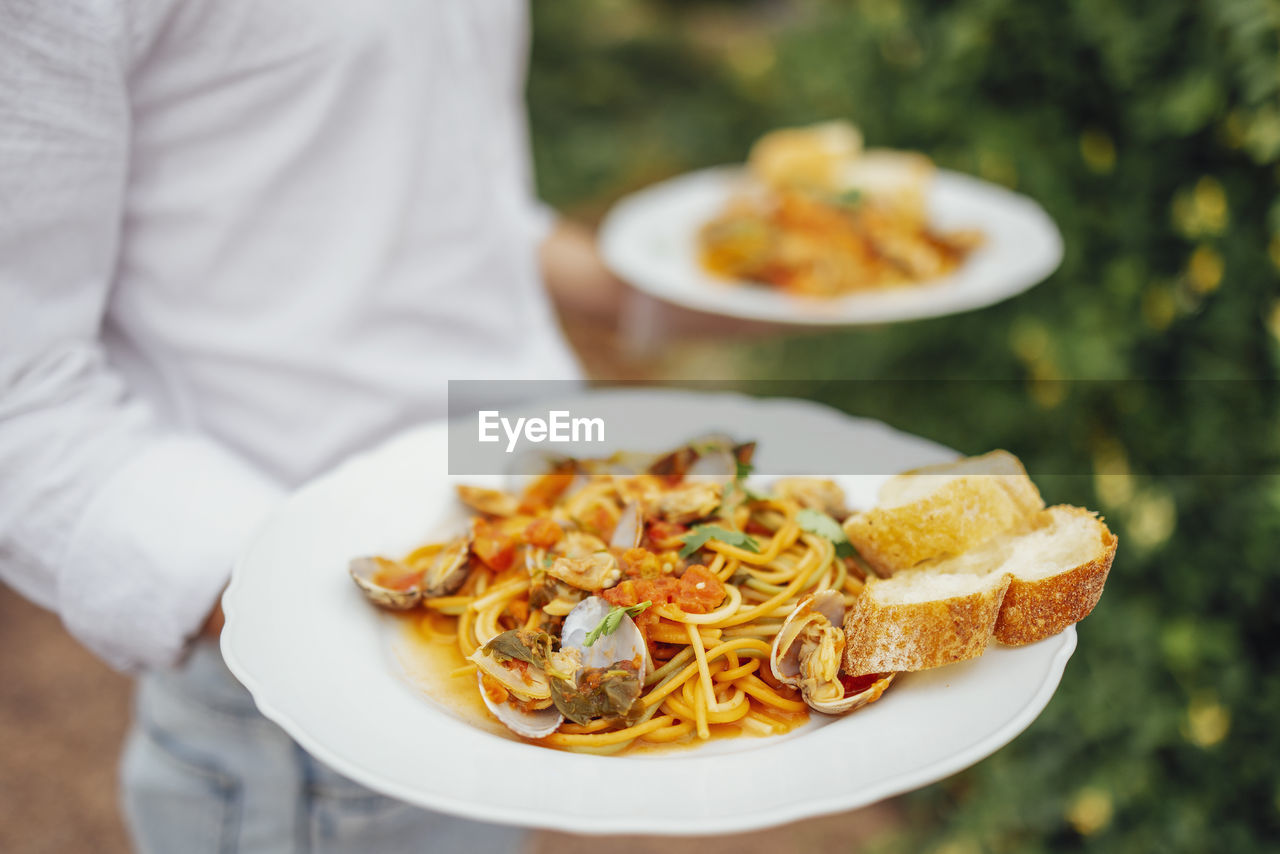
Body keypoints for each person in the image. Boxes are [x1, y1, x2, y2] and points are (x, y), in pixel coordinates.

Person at [0, 2, 622, 850]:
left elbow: (440, 181)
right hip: (311, 727)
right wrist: (326, 618)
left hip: (529, 590)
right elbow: (18, 386)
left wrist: (654, 287)